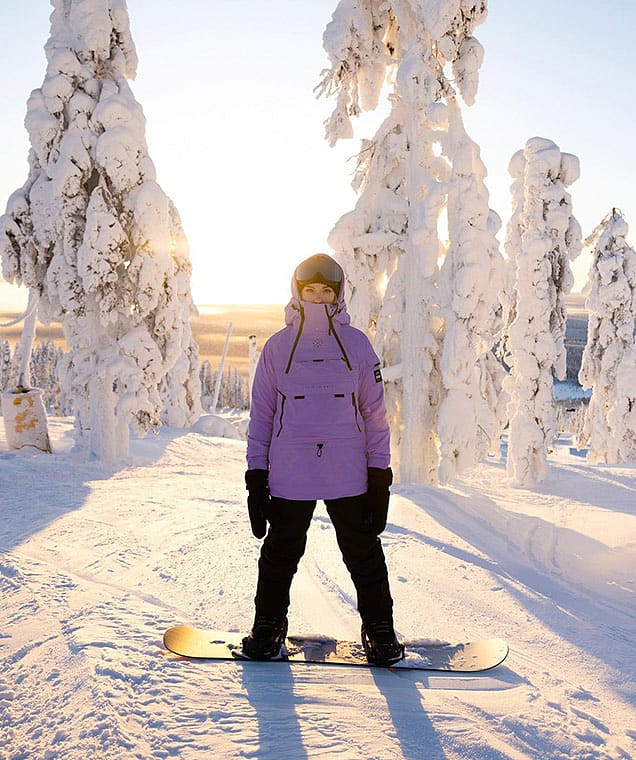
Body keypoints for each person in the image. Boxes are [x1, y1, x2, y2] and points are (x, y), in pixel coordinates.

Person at [242, 253, 403, 666]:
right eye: (309, 291)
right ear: (297, 292)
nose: (317, 299)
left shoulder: (357, 345)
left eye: (325, 291)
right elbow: (261, 415)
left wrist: (379, 474)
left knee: (363, 553)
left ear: (338, 294)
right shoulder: (277, 348)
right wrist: (256, 477)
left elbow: (375, 414)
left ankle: (380, 630)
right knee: (280, 553)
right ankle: (268, 626)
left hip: (347, 471)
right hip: (290, 472)